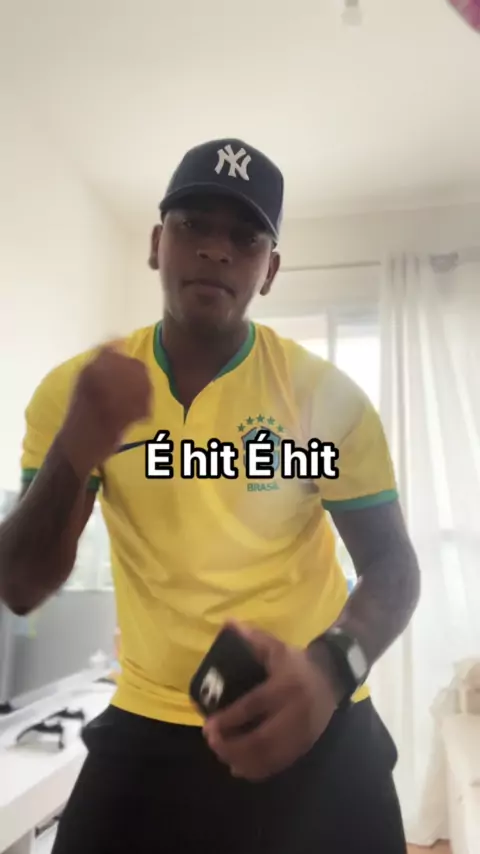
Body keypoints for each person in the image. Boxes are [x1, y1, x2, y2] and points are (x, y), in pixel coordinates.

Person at [0, 138, 420, 854]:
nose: (217, 250)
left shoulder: (325, 398)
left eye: (246, 237)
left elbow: (393, 567)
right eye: (193, 223)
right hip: (151, 718)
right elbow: (20, 587)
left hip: (314, 712)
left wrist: (331, 669)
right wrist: (76, 447)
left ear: (270, 269)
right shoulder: (78, 391)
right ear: (156, 243)